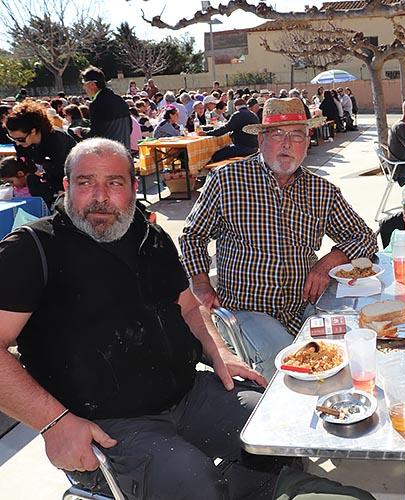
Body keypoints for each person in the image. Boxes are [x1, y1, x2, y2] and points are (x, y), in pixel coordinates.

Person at [0, 137, 374, 500]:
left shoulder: (150, 237)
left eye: (114, 183)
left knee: (278, 430)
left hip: (188, 394)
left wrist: (219, 352)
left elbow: (190, 308)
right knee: (196, 481)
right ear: (66, 186)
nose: (100, 196)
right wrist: (53, 422)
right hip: (105, 425)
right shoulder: (32, 249)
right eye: (86, 183)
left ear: (133, 187)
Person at [180, 98, 378, 376]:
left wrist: (328, 262)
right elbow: (192, 235)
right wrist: (201, 284)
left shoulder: (322, 191)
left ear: (307, 142)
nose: (287, 144)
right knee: (292, 368)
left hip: (304, 306)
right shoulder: (227, 180)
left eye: (296, 135)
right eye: (277, 134)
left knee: (356, 347)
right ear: (261, 139)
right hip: (248, 311)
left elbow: (365, 237)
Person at [6, 100, 77, 196]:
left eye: (20, 139)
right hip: (49, 172)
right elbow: (26, 162)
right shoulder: (22, 143)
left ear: (33, 131)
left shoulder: (56, 139)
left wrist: (60, 191)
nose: (17, 143)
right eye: (12, 139)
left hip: (72, 171)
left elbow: (60, 169)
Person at [75, 66, 131, 150]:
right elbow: (130, 128)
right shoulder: (120, 100)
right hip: (124, 151)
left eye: (84, 84)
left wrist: (81, 131)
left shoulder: (96, 104)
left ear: (92, 84)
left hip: (107, 153)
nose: (84, 87)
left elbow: (95, 134)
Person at [199, 97, 260, 162]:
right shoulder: (254, 115)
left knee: (216, 155)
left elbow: (225, 129)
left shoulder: (237, 115)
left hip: (242, 147)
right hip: (254, 147)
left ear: (235, 107)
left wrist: (207, 133)